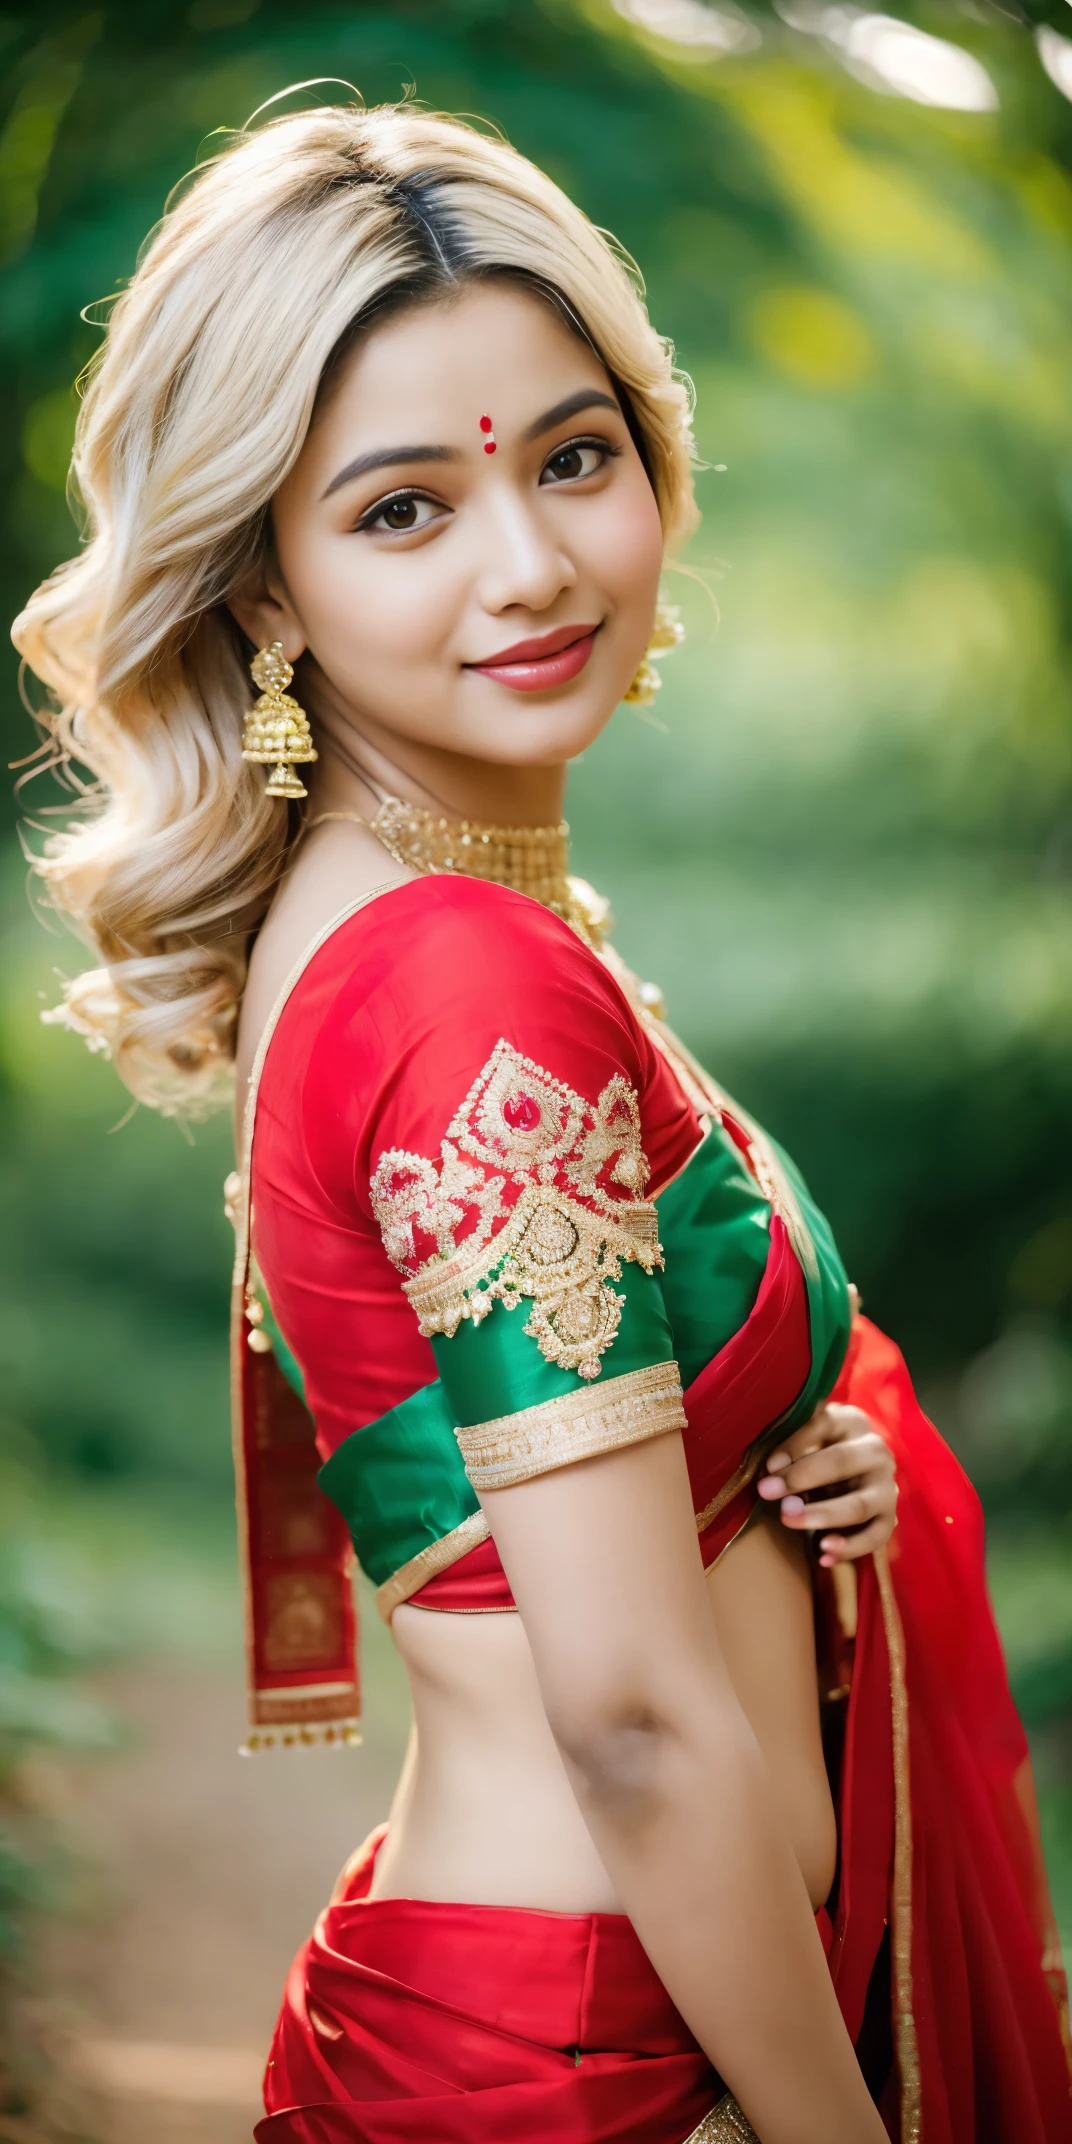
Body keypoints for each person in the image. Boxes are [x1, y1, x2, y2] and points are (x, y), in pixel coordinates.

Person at [12, 100, 1070, 2144]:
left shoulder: (404, 918)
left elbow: (527, 1471)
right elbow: (639, 1726)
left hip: (582, 1995)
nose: (529, 563)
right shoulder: (462, 979)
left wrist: (782, 1436)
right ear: (259, 586)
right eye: (402, 508)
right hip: (615, 2057)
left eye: (572, 458)